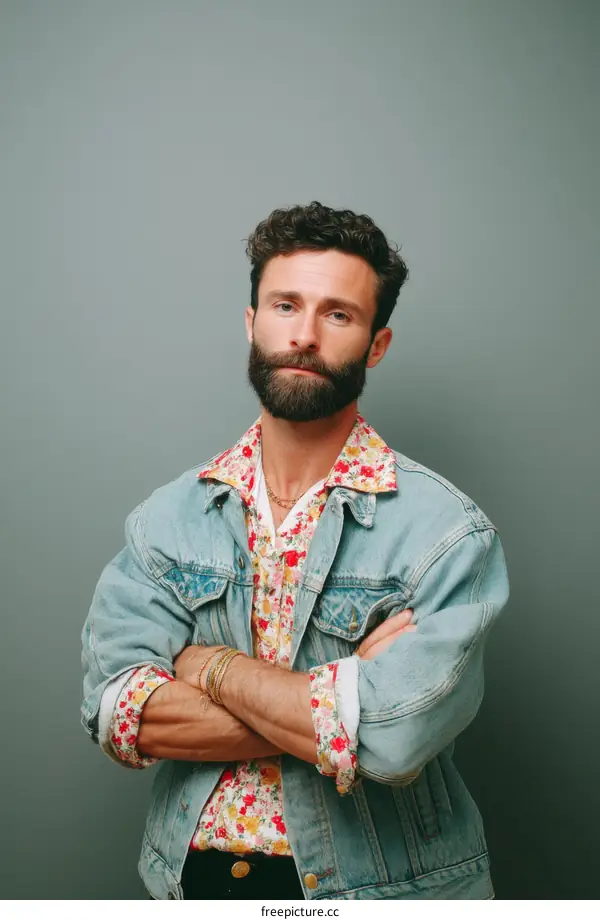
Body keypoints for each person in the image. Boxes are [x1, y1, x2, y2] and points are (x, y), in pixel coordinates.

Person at [81, 201, 509, 900]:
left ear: (377, 344)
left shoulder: (446, 534)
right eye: (285, 305)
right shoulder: (169, 518)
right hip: (194, 883)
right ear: (251, 323)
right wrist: (341, 705)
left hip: (383, 891)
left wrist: (209, 666)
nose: (304, 335)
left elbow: (395, 740)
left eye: (338, 314)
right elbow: (119, 717)